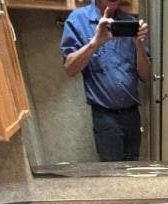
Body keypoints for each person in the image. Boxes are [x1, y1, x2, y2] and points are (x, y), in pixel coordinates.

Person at [60, 1, 150, 162]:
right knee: (111, 170)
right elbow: (70, 69)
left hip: (132, 115)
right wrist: (95, 43)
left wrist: (139, 46)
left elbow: (145, 75)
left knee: (132, 168)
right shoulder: (77, 20)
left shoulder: (130, 22)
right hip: (105, 117)